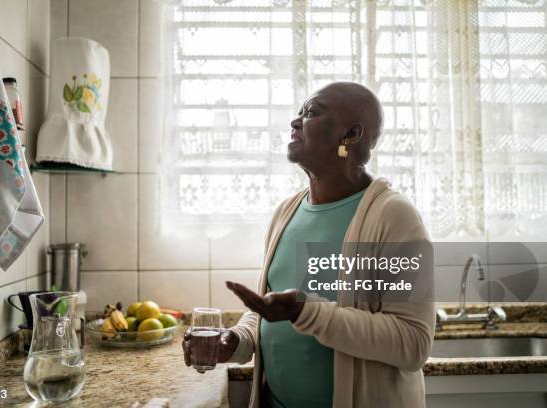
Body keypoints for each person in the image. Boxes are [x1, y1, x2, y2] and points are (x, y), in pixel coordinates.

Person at [182, 82, 435, 408]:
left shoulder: (395, 216)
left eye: (312, 112)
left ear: (351, 135)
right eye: (300, 112)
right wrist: (236, 340)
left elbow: (412, 343)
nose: (295, 121)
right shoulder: (286, 212)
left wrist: (307, 311)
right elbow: (270, 312)